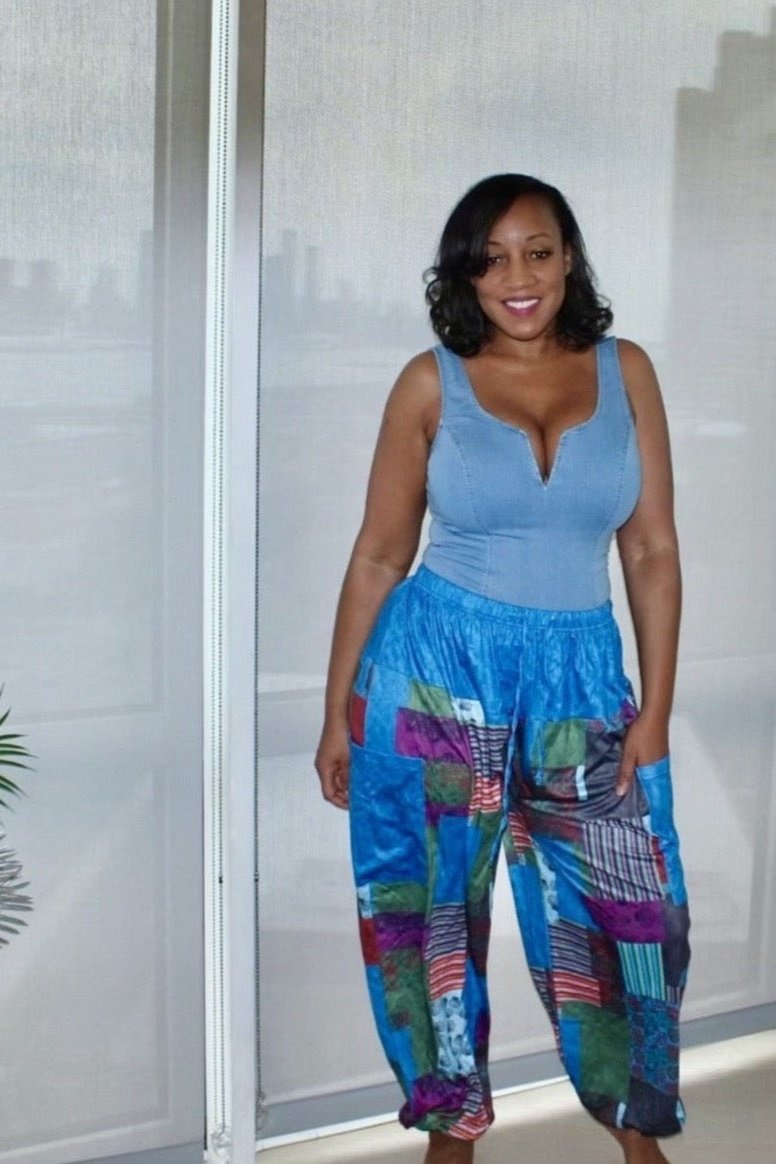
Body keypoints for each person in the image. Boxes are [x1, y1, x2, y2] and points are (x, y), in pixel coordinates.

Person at [315, 173, 690, 1164]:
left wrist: (654, 711)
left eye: (537, 251)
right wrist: (335, 709)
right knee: (429, 912)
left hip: (578, 679)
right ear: (464, 274)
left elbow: (651, 550)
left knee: (629, 911)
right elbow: (378, 557)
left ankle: (636, 1126)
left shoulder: (626, 372)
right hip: (434, 673)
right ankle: (450, 1128)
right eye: (490, 259)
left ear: (568, 259)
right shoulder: (428, 382)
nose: (516, 277)